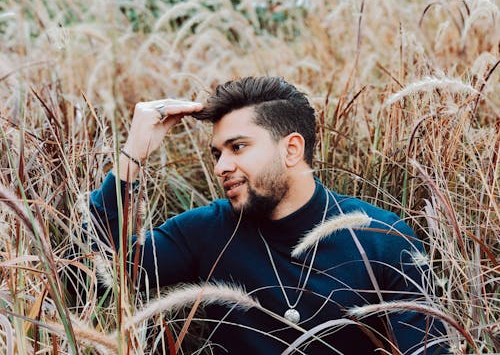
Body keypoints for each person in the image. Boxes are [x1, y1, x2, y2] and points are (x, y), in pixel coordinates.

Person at [89, 76, 447, 354]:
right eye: (217, 154)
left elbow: (427, 350)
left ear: (291, 149)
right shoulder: (207, 231)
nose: (222, 167)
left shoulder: (381, 239)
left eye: (238, 147)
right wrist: (133, 155)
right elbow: (103, 265)